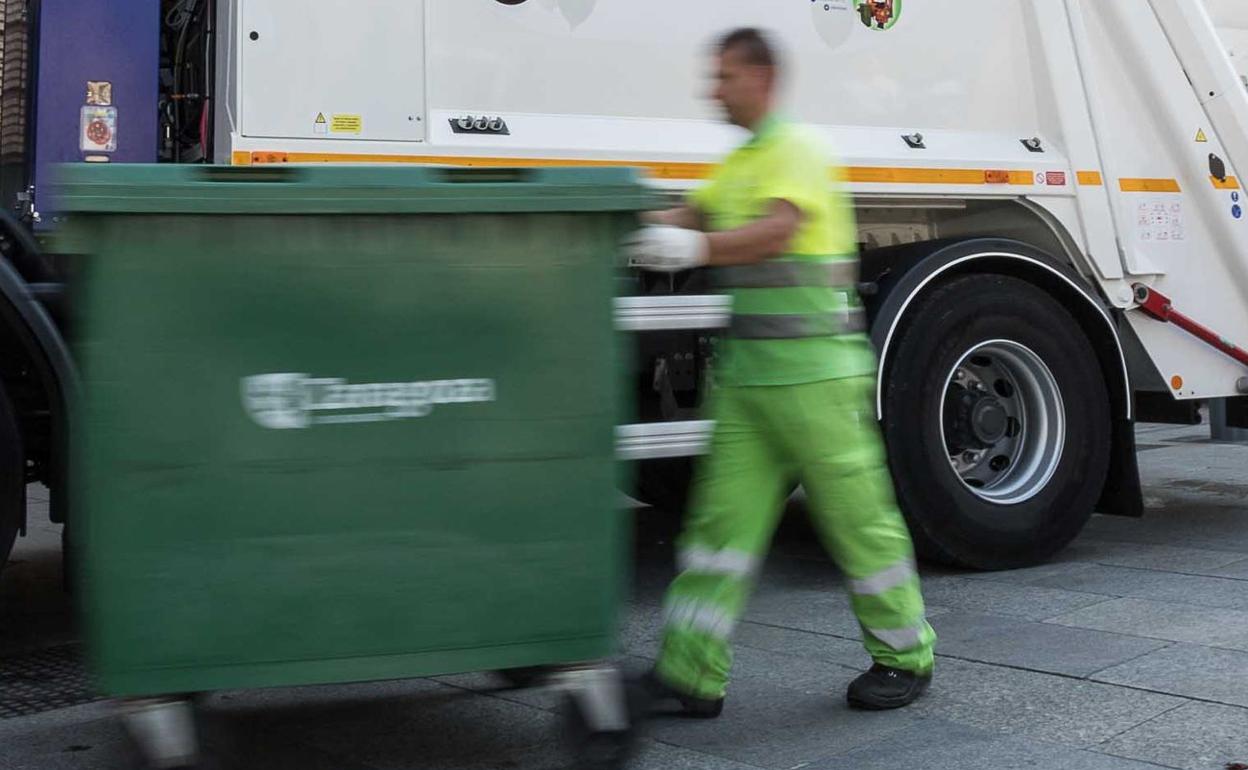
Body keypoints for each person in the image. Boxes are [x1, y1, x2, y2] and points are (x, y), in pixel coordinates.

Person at [625, 27, 935, 716]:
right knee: (716, 532)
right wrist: (620, 214)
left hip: (817, 381)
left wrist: (693, 245)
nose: (713, 87)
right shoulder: (742, 161)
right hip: (750, 383)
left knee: (858, 525)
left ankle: (904, 656)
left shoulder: (797, 150)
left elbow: (779, 229)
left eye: (725, 76)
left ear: (760, 79)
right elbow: (687, 211)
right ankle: (691, 674)